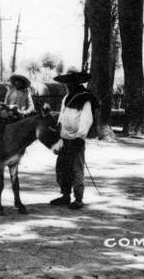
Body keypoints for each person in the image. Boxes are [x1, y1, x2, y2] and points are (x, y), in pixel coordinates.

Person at [49, 69, 96, 210]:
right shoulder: (66, 98)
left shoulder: (85, 98)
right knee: (62, 168)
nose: (69, 84)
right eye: (67, 82)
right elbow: (62, 116)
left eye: (72, 81)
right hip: (64, 138)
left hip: (76, 139)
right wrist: (58, 129)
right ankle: (65, 195)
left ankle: (78, 198)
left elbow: (86, 119)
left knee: (76, 169)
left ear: (77, 82)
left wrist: (80, 137)